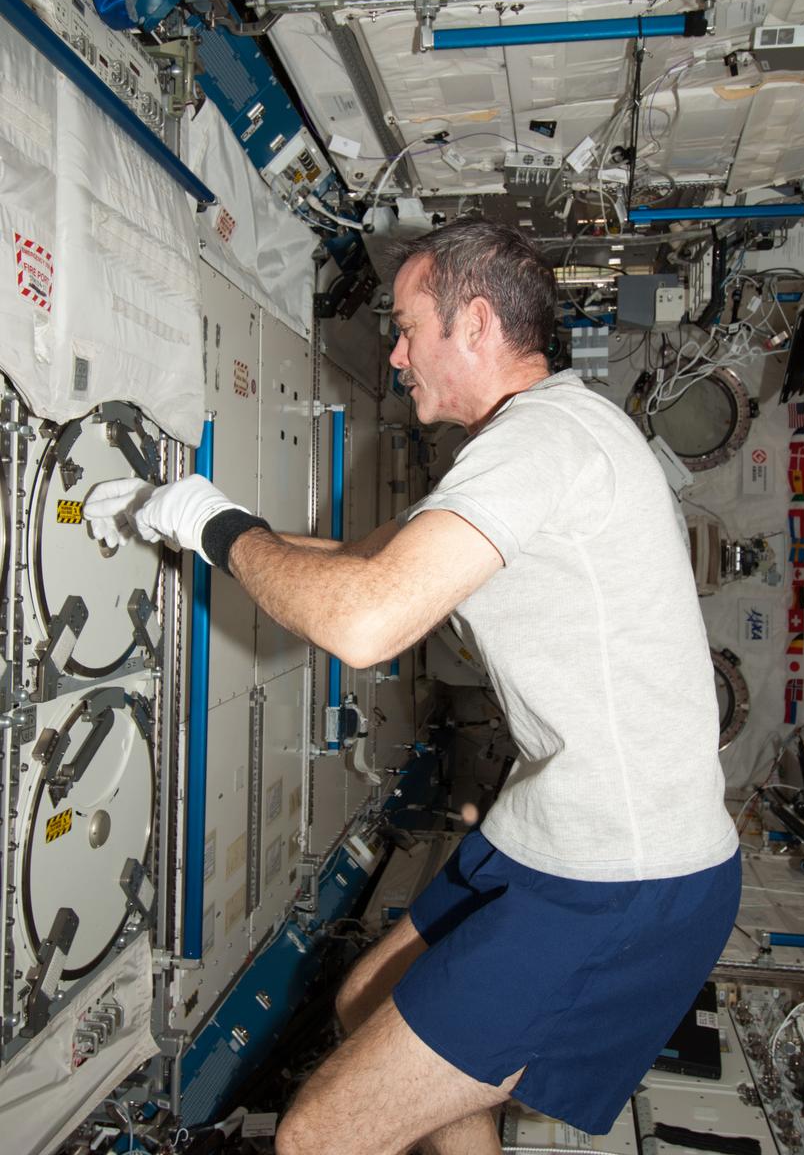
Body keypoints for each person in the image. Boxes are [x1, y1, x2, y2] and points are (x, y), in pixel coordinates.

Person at [84, 219, 741, 1155]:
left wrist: (215, 522)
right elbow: (364, 563)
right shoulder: (544, 431)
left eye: (405, 328)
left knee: (319, 1137)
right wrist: (178, 522)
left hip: (626, 875)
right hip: (552, 835)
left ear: (474, 324)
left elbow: (364, 620)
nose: (393, 354)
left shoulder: (544, 441)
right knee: (367, 1000)